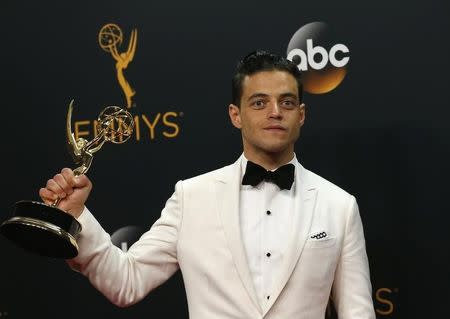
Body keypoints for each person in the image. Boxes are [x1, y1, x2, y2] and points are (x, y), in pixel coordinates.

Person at [39, 50, 376, 319]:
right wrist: (78, 214)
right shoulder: (192, 197)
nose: (275, 112)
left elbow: (358, 313)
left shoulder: (340, 206)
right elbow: (126, 282)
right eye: (259, 102)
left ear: (300, 115)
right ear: (236, 115)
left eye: (286, 102)